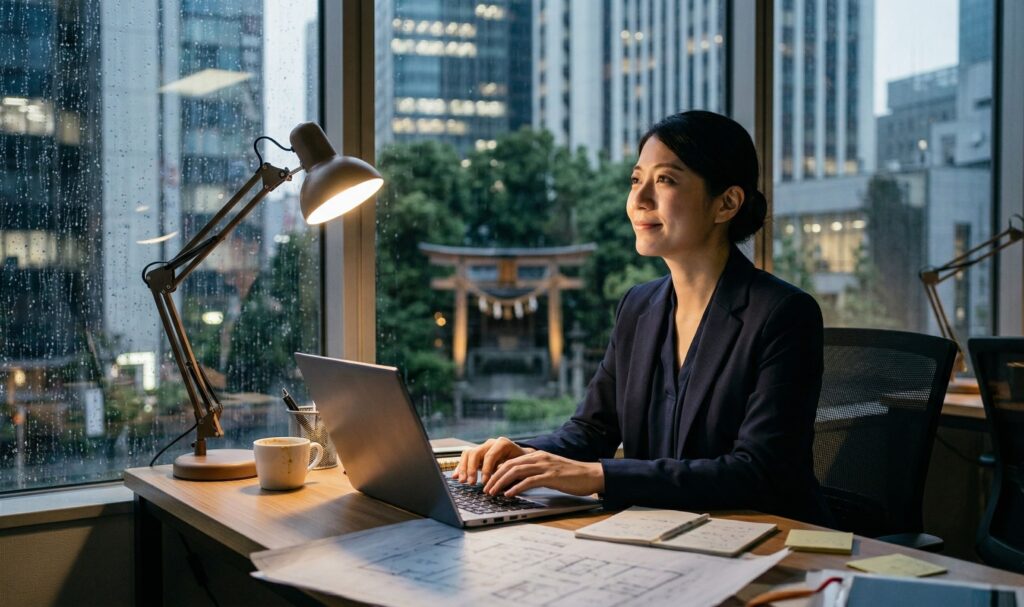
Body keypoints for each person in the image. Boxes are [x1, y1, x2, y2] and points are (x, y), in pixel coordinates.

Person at [453, 110, 832, 525]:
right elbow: (590, 432)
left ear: (726, 203)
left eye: (665, 180)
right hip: (657, 533)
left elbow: (756, 472)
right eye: (636, 180)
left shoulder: (783, 314)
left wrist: (598, 475)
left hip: (761, 539)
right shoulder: (638, 306)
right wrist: (519, 454)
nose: (639, 199)